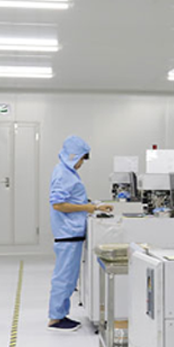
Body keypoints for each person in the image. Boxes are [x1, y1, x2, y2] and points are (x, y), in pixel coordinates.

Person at [48, 136, 112, 331]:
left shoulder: (67, 172)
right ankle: (56, 318)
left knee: (68, 276)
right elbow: (58, 204)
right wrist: (88, 208)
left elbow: (73, 199)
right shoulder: (63, 173)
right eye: (82, 158)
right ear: (73, 155)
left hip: (71, 233)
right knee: (64, 277)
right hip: (67, 233)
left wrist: (94, 205)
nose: (82, 163)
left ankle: (59, 314)